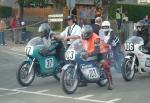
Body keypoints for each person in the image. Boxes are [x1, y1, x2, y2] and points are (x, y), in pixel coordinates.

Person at [81, 25, 113, 90]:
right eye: (83, 33)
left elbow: (97, 51)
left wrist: (88, 54)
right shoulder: (83, 38)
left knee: (104, 64)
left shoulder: (96, 38)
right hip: (90, 52)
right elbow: (80, 45)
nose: (83, 35)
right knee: (80, 60)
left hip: (101, 52)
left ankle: (110, 82)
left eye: (84, 34)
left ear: (89, 34)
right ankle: (83, 80)